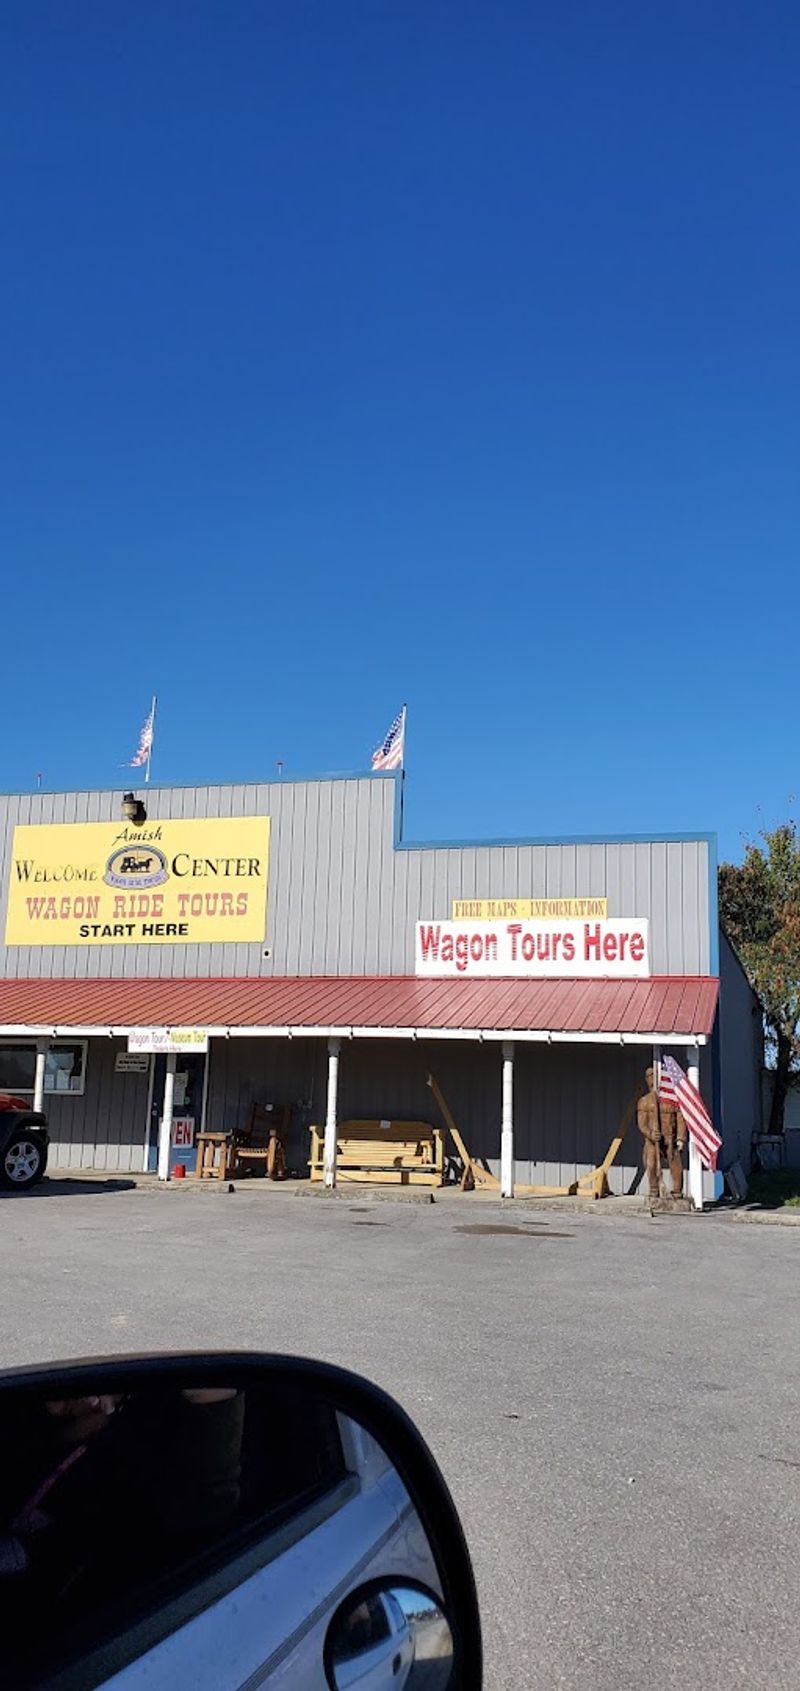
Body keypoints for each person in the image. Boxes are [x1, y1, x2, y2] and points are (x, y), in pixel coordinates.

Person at [637, 1064, 686, 1200]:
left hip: (670, 1140)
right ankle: (654, 1190)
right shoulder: (644, 1102)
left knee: (676, 1166)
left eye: (655, 1075)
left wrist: (680, 1138)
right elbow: (642, 1124)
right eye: (650, 1076)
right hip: (653, 1142)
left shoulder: (672, 1100)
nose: (653, 1079)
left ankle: (677, 1192)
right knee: (651, 1164)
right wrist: (650, 1134)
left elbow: (680, 1119)